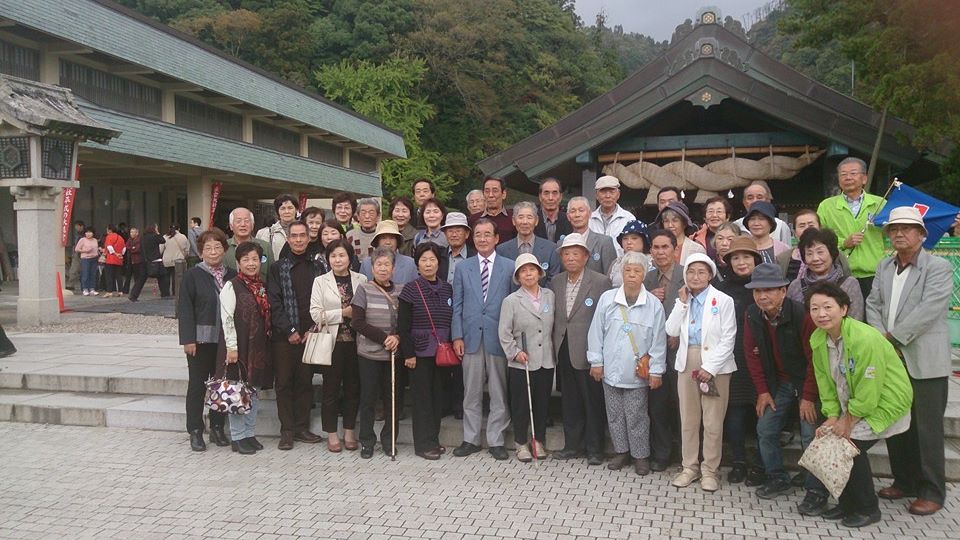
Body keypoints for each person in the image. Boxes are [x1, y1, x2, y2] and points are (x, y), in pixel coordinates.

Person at [866, 206, 954, 516]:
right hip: (891, 357)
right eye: (894, 229)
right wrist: (880, 338)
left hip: (924, 359)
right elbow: (872, 303)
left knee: (927, 428)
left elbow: (929, 310)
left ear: (921, 234)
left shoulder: (938, 267)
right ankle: (903, 480)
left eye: (907, 228)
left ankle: (932, 490)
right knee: (896, 421)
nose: (899, 233)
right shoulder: (884, 267)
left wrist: (893, 339)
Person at [807, 280, 913, 528]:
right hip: (855, 406)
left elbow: (869, 387)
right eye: (814, 308)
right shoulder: (818, 339)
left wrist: (847, 421)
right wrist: (832, 416)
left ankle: (867, 508)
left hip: (886, 404)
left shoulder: (864, 338)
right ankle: (846, 504)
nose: (821, 314)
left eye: (827, 307)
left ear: (843, 309)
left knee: (849, 447)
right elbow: (825, 383)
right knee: (833, 442)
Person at [743, 263, 829, 515]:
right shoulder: (752, 314)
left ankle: (817, 491)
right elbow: (752, 355)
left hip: (806, 381)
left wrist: (809, 397)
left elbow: (815, 360)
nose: (763, 296)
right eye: (757, 291)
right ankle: (777, 477)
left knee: (809, 433)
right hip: (777, 382)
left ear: (783, 290)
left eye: (769, 290)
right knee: (765, 428)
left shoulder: (802, 315)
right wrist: (762, 390)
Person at [588, 250, 666, 475]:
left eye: (637, 271)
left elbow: (658, 341)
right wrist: (596, 361)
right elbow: (596, 333)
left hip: (637, 373)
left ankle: (640, 455)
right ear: (621, 273)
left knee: (637, 416)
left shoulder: (653, 305)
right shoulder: (607, 299)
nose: (632, 275)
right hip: (610, 370)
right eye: (627, 270)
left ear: (644, 274)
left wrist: (657, 371)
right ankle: (621, 451)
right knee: (614, 415)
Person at [666, 253, 737, 493]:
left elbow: (729, 339)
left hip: (715, 364)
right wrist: (682, 303)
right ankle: (689, 467)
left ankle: (710, 470)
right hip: (687, 361)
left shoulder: (723, 300)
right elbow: (671, 329)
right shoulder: (683, 299)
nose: (695, 277)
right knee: (688, 419)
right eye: (691, 272)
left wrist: (710, 367)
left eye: (701, 272)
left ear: (710, 275)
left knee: (713, 421)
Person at [451, 218, 514, 460]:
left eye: (488, 234)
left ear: (497, 238)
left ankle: (496, 439)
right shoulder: (463, 268)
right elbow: (457, 305)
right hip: (470, 338)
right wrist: (457, 335)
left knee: (499, 391)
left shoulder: (509, 267)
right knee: (472, 391)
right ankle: (471, 439)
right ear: (472, 238)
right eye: (478, 234)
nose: (483, 239)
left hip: (499, 338)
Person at [551, 233, 612, 465]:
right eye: (567, 254)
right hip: (563, 348)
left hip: (589, 351)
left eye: (576, 253)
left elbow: (606, 321)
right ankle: (571, 445)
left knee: (592, 400)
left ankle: (595, 449)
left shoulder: (600, 282)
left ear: (586, 256)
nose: (571, 258)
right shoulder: (556, 281)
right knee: (570, 400)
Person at [178, 228, 237, 452]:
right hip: (201, 340)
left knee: (220, 384)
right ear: (201, 252)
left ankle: (217, 427)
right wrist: (188, 339)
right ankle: (195, 430)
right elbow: (184, 308)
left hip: (225, 340)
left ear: (224, 250)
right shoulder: (193, 275)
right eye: (208, 248)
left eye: (218, 247)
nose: (213, 251)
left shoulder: (232, 275)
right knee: (197, 385)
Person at [267, 221, 324, 450]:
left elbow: (323, 300)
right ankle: (287, 431)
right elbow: (274, 302)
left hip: (311, 334)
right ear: (288, 239)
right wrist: (290, 330)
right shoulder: (277, 268)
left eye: (303, 235)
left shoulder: (318, 267)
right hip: (284, 338)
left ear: (309, 238)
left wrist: (312, 329)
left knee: (305, 382)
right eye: (295, 236)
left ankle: (301, 427)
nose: (299, 240)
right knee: (283, 383)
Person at [498, 253, 556, 462]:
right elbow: (504, 332)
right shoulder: (511, 300)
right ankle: (521, 442)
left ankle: (538, 440)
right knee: (521, 404)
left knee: (541, 403)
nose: (528, 274)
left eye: (532, 269)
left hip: (545, 359)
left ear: (539, 273)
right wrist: (515, 352)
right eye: (523, 270)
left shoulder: (550, 295)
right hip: (522, 360)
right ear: (518, 276)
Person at [310, 238, 365, 453]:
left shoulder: (361, 279)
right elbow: (315, 314)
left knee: (353, 388)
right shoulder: (320, 281)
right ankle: (332, 434)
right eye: (333, 256)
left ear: (350, 258)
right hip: (331, 343)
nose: (337, 259)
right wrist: (343, 313)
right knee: (331, 390)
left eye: (342, 255)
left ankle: (350, 431)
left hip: (357, 343)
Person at [399, 242, 453, 460]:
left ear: (439, 263)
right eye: (424, 260)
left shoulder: (447, 288)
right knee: (422, 399)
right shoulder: (410, 289)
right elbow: (403, 325)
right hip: (419, 353)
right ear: (417, 264)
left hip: (442, 352)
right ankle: (422, 445)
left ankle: (434, 439)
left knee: (437, 398)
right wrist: (409, 354)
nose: (428, 264)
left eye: (432, 260)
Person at [218, 241, 272, 455]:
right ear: (238, 263)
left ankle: (249, 434)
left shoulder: (261, 285)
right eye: (246, 260)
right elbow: (227, 318)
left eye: (255, 259)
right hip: (238, 347)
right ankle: (237, 437)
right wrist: (232, 347)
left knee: (253, 391)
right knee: (236, 391)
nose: (251, 264)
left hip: (258, 347)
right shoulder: (231, 285)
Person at [715, 236, 760, 485]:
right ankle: (739, 461)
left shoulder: (766, 285)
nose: (741, 262)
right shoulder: (721, 290)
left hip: (762, 359)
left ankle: (761, 465)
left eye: (746, 257)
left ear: (756, 259)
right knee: (735, 412)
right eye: (735, 258)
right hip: (733, 359)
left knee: (763, 414)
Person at [351, 247, 403, 458]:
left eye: (387, 264)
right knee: (369, 398)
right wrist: (384, 338)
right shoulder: (364, 289)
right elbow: (357, 322)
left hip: (393, 354)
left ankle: (389, 440)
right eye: (379, 264)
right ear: (372, 267)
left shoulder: (401, 290)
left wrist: (397, 337)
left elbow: (406, 321)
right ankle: (367, 441)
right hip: (369, 354)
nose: (383, 268)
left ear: (393, 268)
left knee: (392, 400)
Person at [816, 157, 886, 300]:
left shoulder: (880, 204)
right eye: (843, 174)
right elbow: (819, 239)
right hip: (841, 274)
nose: (848, 177)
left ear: (864, 178)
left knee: (872, 318)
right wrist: (843, 243)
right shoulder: (826, 206)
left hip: (874, 274)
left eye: (853, 173)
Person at [644, 229, 685, 471]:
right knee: (657, 406)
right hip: (655, 354)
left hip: (680, 352)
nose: (660, 252)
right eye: (656, 248)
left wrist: (678, 334)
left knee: (682, 406)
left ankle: (684, 454)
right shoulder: (647, 279)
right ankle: (662, 453)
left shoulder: (687, 275)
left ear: (675, 249)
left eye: (665, 247)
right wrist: (647, 296)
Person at [787, 228, 864, 321]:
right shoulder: (796, 286)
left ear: (832, 253)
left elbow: (855, 322)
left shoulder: (849, 284)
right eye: (809, 253)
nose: (815, 258)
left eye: (820, 252)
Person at [495, 201, 561, 287]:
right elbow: (501, 281)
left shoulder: (551, 248)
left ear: (536, 221)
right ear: (514, 221)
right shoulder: (502, 250)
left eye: (529, 217)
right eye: (521, 217)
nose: (525, 222)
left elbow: (553, 280)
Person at [566, 196, 617, 275]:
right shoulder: (562, 243)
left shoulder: (604, 242)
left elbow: (610, 275)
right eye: (573, 211)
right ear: (568, 216)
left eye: (581, 210)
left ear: (589, 214)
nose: (577, 215)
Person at [733, 181, 793, 245]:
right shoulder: (736, 226)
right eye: (750, 198)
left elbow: (787, 252)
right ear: (744, 202)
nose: (755, 201)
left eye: (759, 197)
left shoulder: (780, 226)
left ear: (768, 201)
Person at [359, 220, 418, 285]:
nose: (388, 242)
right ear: (377, 241)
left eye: (392, 238)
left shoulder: (410, 263)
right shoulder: (366, 263)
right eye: (383, 238)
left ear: (397, 241)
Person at [588, 175, 636, 255]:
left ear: (618, 194)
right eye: (603, 192)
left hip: (621, 265)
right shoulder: (589, 219)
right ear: (596, 195)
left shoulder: (628, 218)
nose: (608, 196)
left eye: (612, 192)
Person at [225, 207, 273, 281]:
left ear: (253, 225)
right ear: (231, 226)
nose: (243, 224)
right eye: (238, 221)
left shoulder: (265, 246)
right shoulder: (223, 247)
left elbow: (272, 276)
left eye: (247, 221)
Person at [467, 177, 516, 242]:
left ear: (503, 194)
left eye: (495, 191)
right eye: (487, 191)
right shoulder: (473, 220)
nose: (490, 195)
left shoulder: (514, 218)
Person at [656, 201, 706, 265]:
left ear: (684, 223)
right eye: (666, 221)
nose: (670, 225)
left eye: (675, 220)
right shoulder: (657, 248)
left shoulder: (696, 249)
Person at [743, 201, 790, 265]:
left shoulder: (783, 249)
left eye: (761, 219)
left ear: (771, 223)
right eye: (752, 219)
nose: (756, 223)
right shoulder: (742, 246)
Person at [130, 224, 169, 300]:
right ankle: (165, 294)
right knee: (162, 277)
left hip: (144, 261)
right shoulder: (154, 236)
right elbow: (163, 240)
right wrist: (158, 233)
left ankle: (133, 295)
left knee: (141, 279)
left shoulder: (142, 237)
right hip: (155, 260)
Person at [256, 194, 300, 260]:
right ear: (277, 211)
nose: (287, 211)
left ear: (296, 209)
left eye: (290, 208)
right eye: (283, 208)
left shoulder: (306, 231)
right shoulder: (264, 233)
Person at [608, 220, 650, 288]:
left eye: (634, 238)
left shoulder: (653, 263)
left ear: (644, 240)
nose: (629, 242)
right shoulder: (616, 263)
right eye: (625, 238)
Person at [691, 196, 733, 262]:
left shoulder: (737, 236)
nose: (714, 215)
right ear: (704, 217)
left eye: (719, 211)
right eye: (710, 211)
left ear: (727, 217)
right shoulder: (696, 238)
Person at [438, 212, 475, 284]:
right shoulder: (439, 257)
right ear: (445, 234)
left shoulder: (475, 257)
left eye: (458, 231)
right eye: (450, 231)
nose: (454, 235)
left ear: (467, 234)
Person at [533, 177, 573, 243]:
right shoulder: (532, 221)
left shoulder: (570, 220)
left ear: (560, 197)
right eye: (546, 193)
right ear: (540, 197)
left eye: (554, 193)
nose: (550, 198)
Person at [346, 198, 381, 263]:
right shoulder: (350, 236)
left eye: (371, 213)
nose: (367, 216)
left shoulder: (382, 235)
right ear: (358, 217)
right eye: (363, 213)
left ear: (378, 216)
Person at [162, 224, 189, 300]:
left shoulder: (165, 237)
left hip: (167, 260)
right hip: (178, 260)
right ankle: (176, 292)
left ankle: (166, 293)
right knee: (176, 277)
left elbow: (160, 249)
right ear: (179, 229)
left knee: (166, 277)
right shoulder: (183, 237)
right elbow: (187, 249)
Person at [101, 224, 126, 297]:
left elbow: (109, 247)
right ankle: (120, 291)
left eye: (107, 230)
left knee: (109, 275)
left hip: (110, 259)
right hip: (119, 259)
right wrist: (120, 254)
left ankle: (109, 292)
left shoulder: (109, 237)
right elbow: (124, 248)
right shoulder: (120, 237)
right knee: (119, 276)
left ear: (109, 230)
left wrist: (115, 253)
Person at [74, 226, 100, 296]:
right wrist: (85, 250)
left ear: (93, 233)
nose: (88, 234)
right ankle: (85, 289)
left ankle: (92, 289)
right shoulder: (82, 240)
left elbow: (96, 249)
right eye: (87, 232)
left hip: (94, 258)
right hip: (85, 259)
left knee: (93, 274)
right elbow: (76, 249)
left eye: (90, 232)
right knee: (85, 274)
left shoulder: (95, 240)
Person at [124, 227, 143, 301]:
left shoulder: (139, 239)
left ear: (137, 233)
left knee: (137, 276)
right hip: (130, 260)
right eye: (131, 232)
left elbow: (137, 249)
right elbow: (127, 246)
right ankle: (125, 289)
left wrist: (131, 248)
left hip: (137, 260)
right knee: (128, 275)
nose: (132, 234)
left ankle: (135, 290)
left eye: (133, 232)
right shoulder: (129, 239)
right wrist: (132, 248)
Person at [66, 220, 85, 290]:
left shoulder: (85, 234)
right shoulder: (77, 234)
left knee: (75, 270)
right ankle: (71, 284)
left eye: (77, 226)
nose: (76, 228)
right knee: (74, 270)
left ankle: (72, 284)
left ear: (81, 226)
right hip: (76, 253)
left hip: (81, 253)